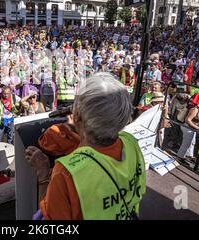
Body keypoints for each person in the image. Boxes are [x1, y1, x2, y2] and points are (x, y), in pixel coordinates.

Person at [25, 73, 146, 220]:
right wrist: (81, 129)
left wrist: (43, 173)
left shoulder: (67, 172)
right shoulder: (130, 142)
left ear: (77, 116)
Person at [176, 93, 199, 162]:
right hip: (188, 128)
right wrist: (197, 127)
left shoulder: (192, 106)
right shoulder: (195, 109)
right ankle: (179, 157)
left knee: (192, 142)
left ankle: (189, 155)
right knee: (186, 143)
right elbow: (188, 120)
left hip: (189, 128)